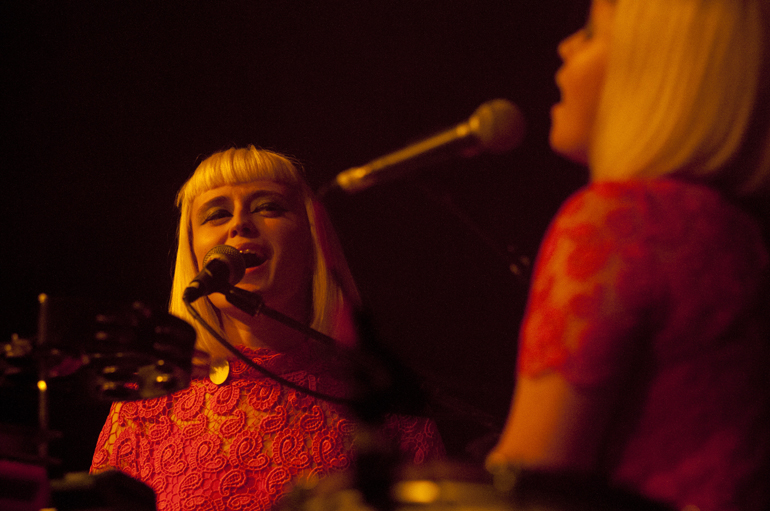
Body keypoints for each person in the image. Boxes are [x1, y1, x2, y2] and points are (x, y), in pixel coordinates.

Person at [486, 1, 770, 510]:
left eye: (592, 31)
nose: (565, 45)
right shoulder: (740, 234)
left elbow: (524, 487)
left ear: (659, 63)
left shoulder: (619, 225)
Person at [90, 146, 445, 510]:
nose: (239, 224)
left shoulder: (380, 401)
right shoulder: (148, 403)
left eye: (267, 207)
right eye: (216, 214)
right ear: (195, 255)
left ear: (312, 244)